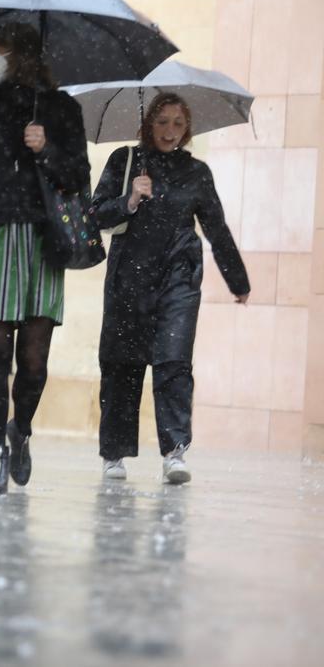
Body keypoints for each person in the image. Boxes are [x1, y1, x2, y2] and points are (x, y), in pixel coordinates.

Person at [0, 22, 90, 493]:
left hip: (42, 239)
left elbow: (79, 178)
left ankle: (21, 429)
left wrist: (45, 148)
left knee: (33, 358)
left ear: (24, 56)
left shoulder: (62, 109)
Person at [91, 93, 249, 484]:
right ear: (148, 124)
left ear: (188, 128)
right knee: (121, 365)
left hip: (178, 278)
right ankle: (114, 453)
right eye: (162, 122)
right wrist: (129, 199)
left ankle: (175, 451)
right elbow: (94, 214)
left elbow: (216, 227)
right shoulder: (124, 161)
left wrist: (238, 280)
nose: (170, 131)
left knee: (174, 361)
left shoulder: (197, 172)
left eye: (178, 123)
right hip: (129, 279)